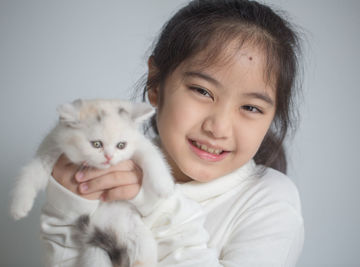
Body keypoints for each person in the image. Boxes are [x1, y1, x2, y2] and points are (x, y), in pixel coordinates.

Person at [41, 0, 304, 266]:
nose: (219, 127)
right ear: (155, 84)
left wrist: (156, 203)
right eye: (202, 91)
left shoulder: (271, 202)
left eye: (250, 107)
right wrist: (68, 208)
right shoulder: (110, 167)